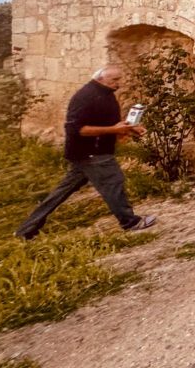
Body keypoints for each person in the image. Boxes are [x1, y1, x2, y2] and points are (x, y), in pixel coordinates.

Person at [15, 66, 157, 239]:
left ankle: (26, 229)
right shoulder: (86, 97)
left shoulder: (105, 94)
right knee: (113, 182)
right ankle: (131, 222)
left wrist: (128, 128)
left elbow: (108, 123)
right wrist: (113, 129)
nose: (119, 84)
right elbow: (79, 129)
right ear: (100, 79)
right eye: (115, 80)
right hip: (91, 153)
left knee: (61, 191)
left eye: (120, 79)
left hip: (88, 154)